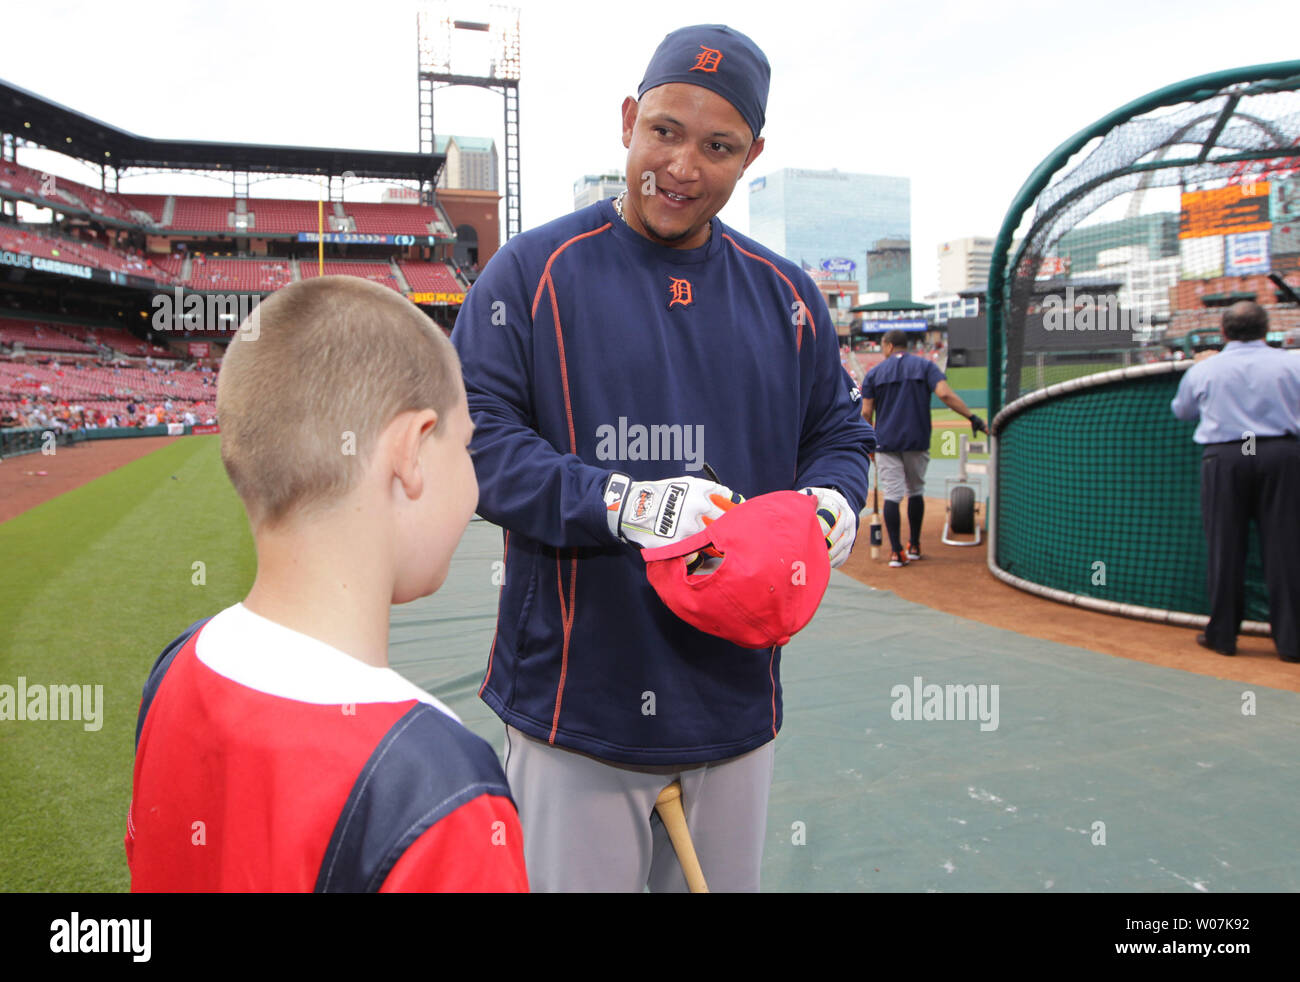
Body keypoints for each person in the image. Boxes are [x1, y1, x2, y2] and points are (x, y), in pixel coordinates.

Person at [451, 24, 873, 892]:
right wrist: (624, 502)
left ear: (752, 154)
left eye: (717, 146)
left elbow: (838, 433)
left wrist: (833, 501)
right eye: (665, 132)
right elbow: (477, 445)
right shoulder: (530, 272)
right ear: (627, 121)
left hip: (733, 698)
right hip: (576, 700)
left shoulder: (789, 294)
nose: (682, 166)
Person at [125, 277, 529, 892]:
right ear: (411, 452)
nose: (474, 479)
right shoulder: (440, 786)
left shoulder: (176, 664)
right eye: (467, 448)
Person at [1170, 300, 1300, 662]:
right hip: (1280, 454)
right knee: (1286, 547)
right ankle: (1292, 643)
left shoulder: (1207, 368)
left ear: (1224, 332)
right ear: (1265, 329)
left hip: (1227, 457)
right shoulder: (1293, 362)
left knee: (1225, 547)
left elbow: (1182, 411)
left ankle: (1224, 636)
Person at [860, 328, 986, 566]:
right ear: (904, 345)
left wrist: (868, 443)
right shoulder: (925, 366)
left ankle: (896, 551)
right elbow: (945, 395)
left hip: (886, 442)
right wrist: (972, 418)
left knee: (893, 495)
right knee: (915, 491)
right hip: (917, 441)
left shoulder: (874, 373)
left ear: (887, 346)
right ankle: (915, 545)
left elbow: (866, 412)